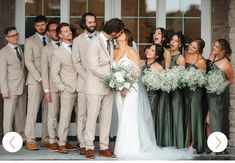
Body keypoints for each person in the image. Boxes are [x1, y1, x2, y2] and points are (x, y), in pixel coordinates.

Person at [113, 29, 194, 160]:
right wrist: (117, 82)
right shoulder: (124, 54)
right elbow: (133, 68)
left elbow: (163, 74)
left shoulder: (161, 56)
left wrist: (127, 84)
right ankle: (122, 146)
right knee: (125, 117)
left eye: (159, 34)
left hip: (136, 90)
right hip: (121, 89)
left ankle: (131, 147)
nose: (149, 51)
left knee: (132, 118)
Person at [84, 18, 124, 159]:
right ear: (113, 32)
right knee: (91, 118)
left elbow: (111, 61)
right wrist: (113, 75)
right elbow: (94, 67)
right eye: (119, 32)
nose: (120, 34)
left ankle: (104, 147)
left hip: (108, 87)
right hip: (95, 86)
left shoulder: (111, 42)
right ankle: (88, 147)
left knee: (106, 118)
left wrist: (119, 72)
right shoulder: (94, 43)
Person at [72, 12, 98, 155]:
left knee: (93, 115)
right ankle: (82, 143)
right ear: (84, 24)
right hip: (83, 82)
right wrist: (86, 76)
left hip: (98, 83)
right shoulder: (77, 40)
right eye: (89, 22)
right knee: (81, 114)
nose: (93, 24)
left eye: (94, 22)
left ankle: (91, 143)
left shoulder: (100, 37)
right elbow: (76, 62)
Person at [51, 23, 78, 154]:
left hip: (83, 87)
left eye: (69, 30)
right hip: (68, 89)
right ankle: (62, 143)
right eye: (65, 31)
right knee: (65, 117)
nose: (69, 33)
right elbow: (54, 74)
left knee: (83, 116)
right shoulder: (57, 52)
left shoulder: (79, 46)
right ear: (60, 35)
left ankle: (83, 143)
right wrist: (63, 88)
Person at [24, 15, 49, 150]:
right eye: (38, 25)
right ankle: (30, 139)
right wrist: (40, 79)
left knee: (49, 111)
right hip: (35, 81)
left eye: (42, 25)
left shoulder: (52, 38)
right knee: (32, 110)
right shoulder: (30, 41)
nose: (40, 27)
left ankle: (46, 138)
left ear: (46, 25)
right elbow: (28, 61)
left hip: (50, 81)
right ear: (35, 27)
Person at [205, 38, 233, 154]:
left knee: (212, 120)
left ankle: (217, 147)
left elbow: (230, 80)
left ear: (223, 50)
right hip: (209, 94)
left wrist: (218, 86)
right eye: (214, 45)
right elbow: (208, 68)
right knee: (208, 120)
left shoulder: (226, 64)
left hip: (218, 96)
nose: (213, 48)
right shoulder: (213, 56)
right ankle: (211, 146)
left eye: (216, 47)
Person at [0, 26, 26, 137]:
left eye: (16, 34)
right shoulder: (3, 52)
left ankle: (21, 136)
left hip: (23, 87)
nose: (15, 37)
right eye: (12, 35)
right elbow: (2, 73)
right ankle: (8, 137)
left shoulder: (21, 48)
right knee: (9, 115)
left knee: (21, 114)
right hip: (10, 88)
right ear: (6, 38)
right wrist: (4, 90)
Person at [184, 38, 207, 153]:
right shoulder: (185, 54)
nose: (190, 48)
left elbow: (201, 80)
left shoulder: (201, 61)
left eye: (194, 47)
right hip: (185, 90)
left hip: (195, 92)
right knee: (187, 116)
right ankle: (187, 142)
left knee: (194, 116)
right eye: (190, 45)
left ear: (199, 50)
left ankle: (195, 143)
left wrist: (193, 80)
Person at [41, 21, 61, 152]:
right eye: (52, 30)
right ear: (48, 33)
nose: (55, 32)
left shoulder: (68, 45)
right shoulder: (46, 49)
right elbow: (44, 71)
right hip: (53, 87)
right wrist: (46, 90)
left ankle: (62, 140)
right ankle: (52, 140)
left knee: (65, 115)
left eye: (57, 29)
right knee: (52, 114)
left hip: (68, 86)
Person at [140, 44, 164, 139]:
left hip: (151, 96)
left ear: (157, 56)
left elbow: (161, 85)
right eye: (149, 49)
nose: (149, 51)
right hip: (140, 94)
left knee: (148, 118)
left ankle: (149, 139)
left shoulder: (159, 68)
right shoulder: (141, 62)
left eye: (152, 50)